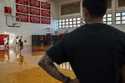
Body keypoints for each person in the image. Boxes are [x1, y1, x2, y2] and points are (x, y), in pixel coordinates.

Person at [38, 0, 125, 83]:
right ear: (104, 11)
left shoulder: (70, 38)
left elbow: (44, 62)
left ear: (85, 11)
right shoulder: (121, 37)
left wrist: (67, 81)